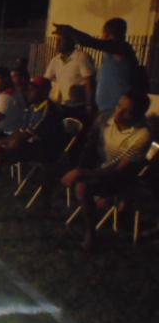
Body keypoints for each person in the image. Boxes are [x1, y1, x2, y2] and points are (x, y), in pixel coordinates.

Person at [61, 90, 151, 250]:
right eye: (118, 106)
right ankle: (98, 210)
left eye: (126, 111)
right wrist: (80, 168)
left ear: (138, 115)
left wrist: (81, 174)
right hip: (102, 167)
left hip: (124, 178)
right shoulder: (104, 119)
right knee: (80, 180)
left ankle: (91, 234)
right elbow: (89, 146)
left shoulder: (141, 134)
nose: (119, 112)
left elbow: (120, 170)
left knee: (82, 187)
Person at [0, 77, 64, 201]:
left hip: (47, 151)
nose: (28, 92)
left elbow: (28, 134)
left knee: (5, 147)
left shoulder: (48, 110)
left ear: (44, 91)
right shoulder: (32, 108)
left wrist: (3, 142)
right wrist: (3, 141)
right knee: (1, 148)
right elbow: (21, 131)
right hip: (33, 145)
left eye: (33, 89)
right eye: (29, 89)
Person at [53, 18, 146, 116]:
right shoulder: (113, 53)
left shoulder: (122, 48)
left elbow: (89, 42)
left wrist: (68, 30)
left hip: (116, 110)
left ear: (105, 33)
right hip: (106, 109)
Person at [44, 33, 95, 121]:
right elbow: (46, 80)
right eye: (57, 40)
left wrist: (89, 105)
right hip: (61, 105)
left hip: (78, 106)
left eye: (61, 40)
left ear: (71, 41)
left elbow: (89, 82)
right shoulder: (56, 60)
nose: (57, 43)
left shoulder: (82, 57)